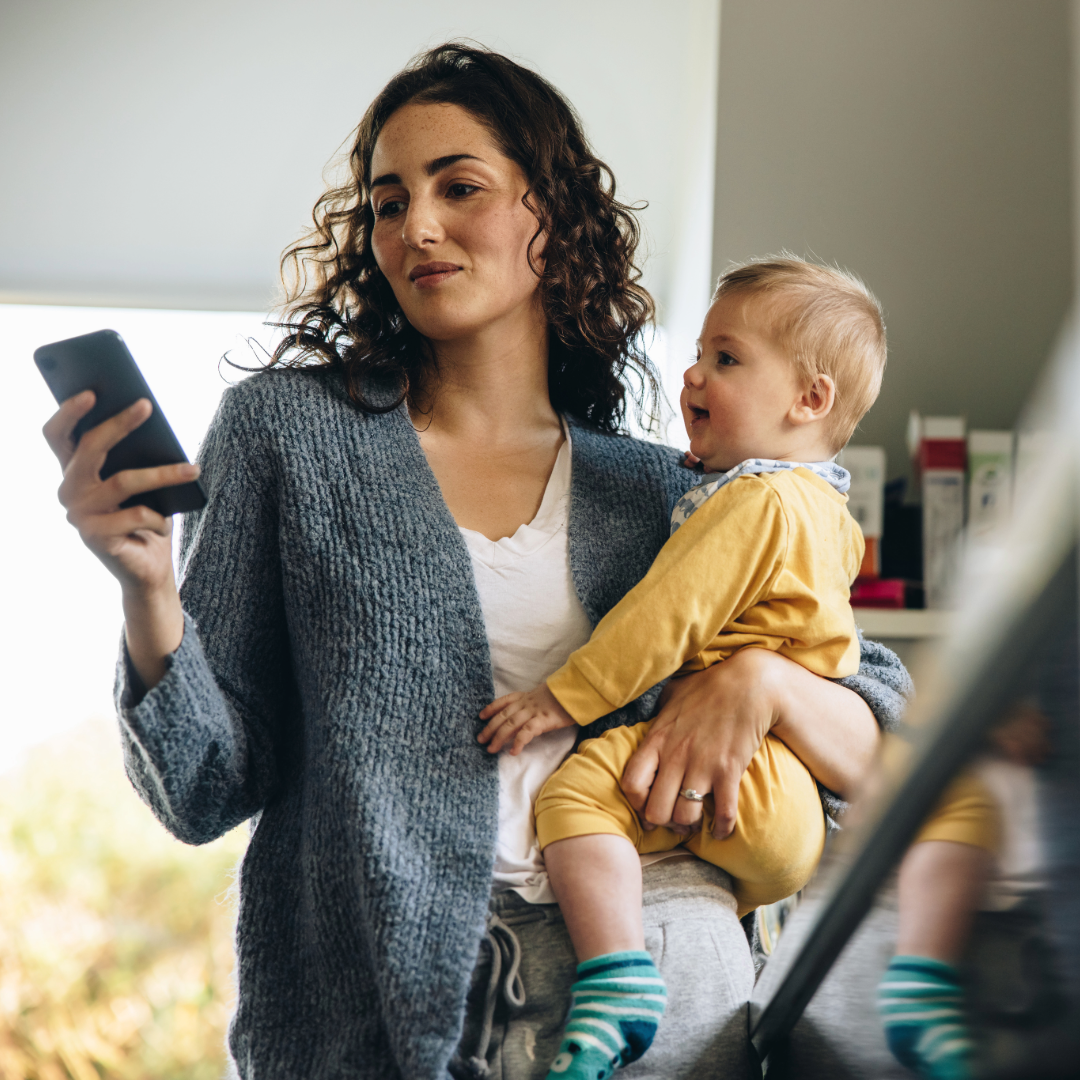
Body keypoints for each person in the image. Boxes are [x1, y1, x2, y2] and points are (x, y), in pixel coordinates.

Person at [41, 45, 909, 1080]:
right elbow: (207, 786)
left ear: (554, 217)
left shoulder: (668, 489)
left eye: (461, 187)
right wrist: (146, 591)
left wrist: (760, 680)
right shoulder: (290, 437)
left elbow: (875, 755)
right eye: (388, 202)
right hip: (370, 1015)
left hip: (667, 1004)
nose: (419, 227)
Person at [480, 259, 998, 1080]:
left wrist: (562, 699)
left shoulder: (755, 502)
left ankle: (615, 977)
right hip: (779, 806)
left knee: (574, 797)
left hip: (746, 779)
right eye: (698, 353)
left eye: (727, 358)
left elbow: (663, 618)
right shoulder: (826, 510)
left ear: (810, 399)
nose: (693, 373)